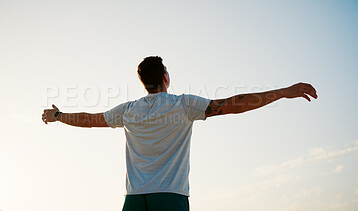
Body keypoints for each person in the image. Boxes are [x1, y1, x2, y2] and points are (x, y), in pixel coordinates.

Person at [42, 56, 317, 211]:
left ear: (143, 82)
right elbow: (234, 104)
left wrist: (58, 116)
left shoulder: (128, 111)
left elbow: (90, 120)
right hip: (170, 197)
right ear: (165, 77)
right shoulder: (183, 105)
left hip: (135, 200)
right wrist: (282, 92)